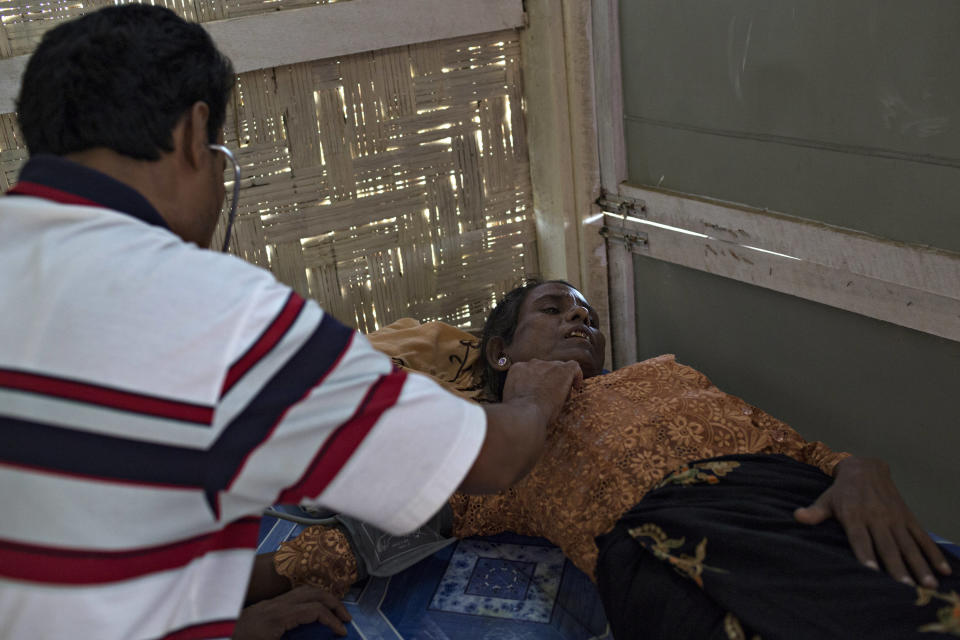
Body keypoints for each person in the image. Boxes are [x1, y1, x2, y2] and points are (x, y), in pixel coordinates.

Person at [0, 9, 582, 640]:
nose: (577, 320)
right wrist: (530, 400)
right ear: (197, 134)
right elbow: (492, 461)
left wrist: (224, 624)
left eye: (583, 314)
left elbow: (83, 529)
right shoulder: (216, 314)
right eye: (221, 156)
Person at [255, 280, 959, 639]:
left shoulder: (668, 377)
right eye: (554, 309)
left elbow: (791, 448)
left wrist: (857, 467)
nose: (577, 321)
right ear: (501, 353)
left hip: (792, 508)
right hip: (668, 560)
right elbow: (351, 542)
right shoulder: (492, 441)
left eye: (588, 317)